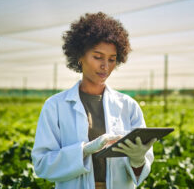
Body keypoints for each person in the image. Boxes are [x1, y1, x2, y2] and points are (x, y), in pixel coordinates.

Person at [31, 12, 156, 189]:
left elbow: (140, 171)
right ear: (80, 56)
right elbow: (42, 164)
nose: (105, 66)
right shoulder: (55, 106)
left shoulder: (128, 106)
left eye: (112, 59)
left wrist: (138, 159)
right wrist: (83, 150)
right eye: (98, 57)